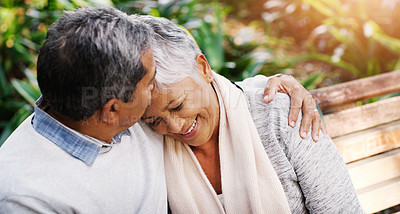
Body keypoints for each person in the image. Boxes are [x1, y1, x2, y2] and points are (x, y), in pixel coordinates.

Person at [0, 6, 323, 213]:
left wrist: (275, 84)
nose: (156, 97)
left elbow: (198, 86)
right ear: (113, 110)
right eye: (150, 81)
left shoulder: (116, 114)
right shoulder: (25, 195)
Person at [138, 15, 365, 213]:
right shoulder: (149, 144)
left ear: (203, 69)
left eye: (177, 105)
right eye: (154, 119)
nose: (174, 127)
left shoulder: (280, 116)